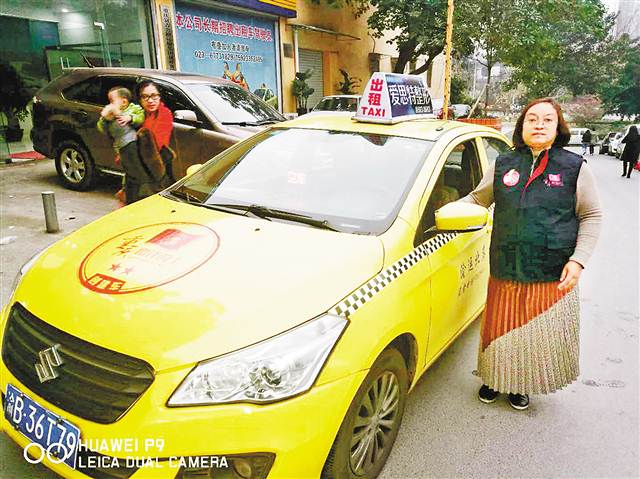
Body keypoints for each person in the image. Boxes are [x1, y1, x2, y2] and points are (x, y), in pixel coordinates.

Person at [460, 98, 602, 410]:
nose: (539, 125)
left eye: (547, 120)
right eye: (532, 119)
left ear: (558, 127)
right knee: (500, 327)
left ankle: (521, 385)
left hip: (551, 268)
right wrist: (451, 210)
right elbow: (476, 199)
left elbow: (591, 216)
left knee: (533, 333)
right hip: (506, 263)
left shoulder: (574, 167)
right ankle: (493, 378)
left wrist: (578, 261)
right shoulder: (503, 164)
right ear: (522, 126)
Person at [96, 87, 145, 204]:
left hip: (132, 143)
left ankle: (134, 193)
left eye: (112, 101)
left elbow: (141, 117)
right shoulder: (111, 115)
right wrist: (105, 118)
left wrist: (131, 118)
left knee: (135, 171)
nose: (110, 104)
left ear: (124, 102)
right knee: (128, 170)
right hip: (120, 147)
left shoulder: (133, 109)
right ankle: (127, 192)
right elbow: (101, 128)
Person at [137, 80, 176, 187]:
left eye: (154, 96)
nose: (150, 101)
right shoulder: (137, 115)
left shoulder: (165, 114)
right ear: (140, 100)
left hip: (158, 163)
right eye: (145, 97)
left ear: (159, 97)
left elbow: (158, 142)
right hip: (139, 164)